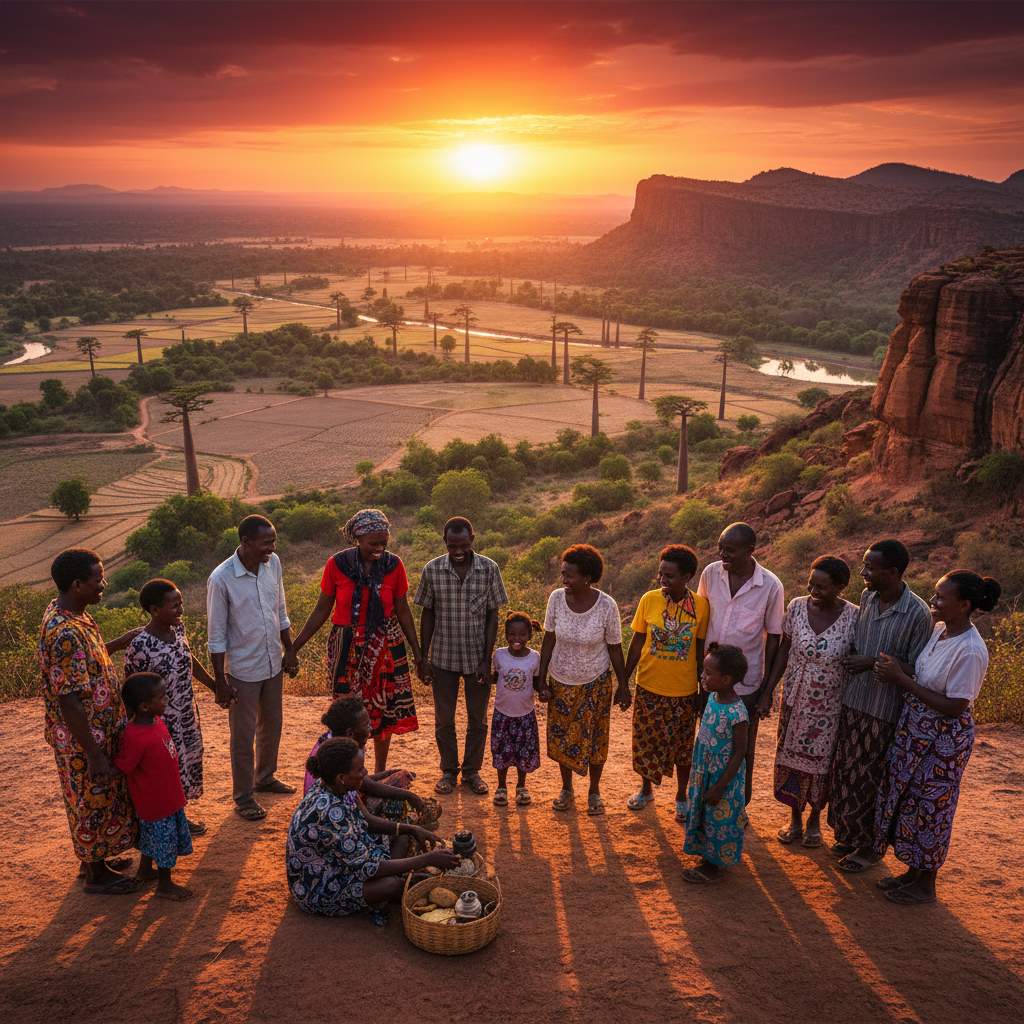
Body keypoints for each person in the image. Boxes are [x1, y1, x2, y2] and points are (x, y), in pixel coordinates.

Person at [872, 571, 999, 906]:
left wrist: (902, 679)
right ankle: (913, 872)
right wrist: (899, 669)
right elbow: (926, 675)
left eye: (942, 597)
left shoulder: (970, 650)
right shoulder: (942, 631)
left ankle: (927, 884)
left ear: (965, 605)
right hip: (917, 729)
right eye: (935, 594)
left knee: (932, 808)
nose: (934, 601)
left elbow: (956, 706)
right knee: (910, 801)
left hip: (943, 741)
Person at [40, 548, 145, 895]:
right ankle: (96, 876)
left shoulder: (71, 615)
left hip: (95, 730)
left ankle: (94, 861)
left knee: (91, 798)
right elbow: (68, 699)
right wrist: (96, 754)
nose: (104, 584)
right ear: (77, 584)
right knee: (91, 800)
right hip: (84, 737)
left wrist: (118, 642)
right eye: (98, 580)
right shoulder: (65, 632)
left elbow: (86, 664)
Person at [828, 539, 933, 874]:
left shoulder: (917, 613)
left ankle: (869, 849)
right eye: (864, 566)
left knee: (872, 778)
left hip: (885, 711)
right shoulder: (867, 598)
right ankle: (850, 834)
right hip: (855, 700)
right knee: (846, 773)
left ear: (893, 571)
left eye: (870, 568)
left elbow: (920, 668)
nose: (863, 573)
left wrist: (872, 661)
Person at [292, 509, 422, 773]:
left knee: (384, 708)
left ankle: (378, 773)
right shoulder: (337, 565)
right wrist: (293, 648)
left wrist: (418, 655)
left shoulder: (394, 565)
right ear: (358, 539)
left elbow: (403, 610)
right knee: (347, 712)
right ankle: (350, 770)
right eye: (373, 543)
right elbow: (321, 609)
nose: (379, 548)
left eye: (384, 542)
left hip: (385, 645)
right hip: (346, 646)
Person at [286, 737, 461, 924]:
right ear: (341, 777)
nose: (366, 773)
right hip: (321, 885)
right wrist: (429, 859)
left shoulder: (336, 786)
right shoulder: (329, 813)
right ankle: (394, 885)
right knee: (392, 885)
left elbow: (368, 821)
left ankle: (397, 879)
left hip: (348, 860)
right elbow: (371, 870)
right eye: (359, 769)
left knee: (403, 835)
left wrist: (411, 829)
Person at [759, 556, 858, 848]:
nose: (814, 590)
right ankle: (795, 819)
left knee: (822, 764)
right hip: (794, 699)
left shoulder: (854, 616)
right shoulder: (796, 607)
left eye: (822, 587)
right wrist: (767, 691)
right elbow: (784, 651)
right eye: (811, 583)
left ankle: (814, 821)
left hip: (829, 705)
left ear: (840, 587)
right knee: (789, 759)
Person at [207, 514, 298, 822]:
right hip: (242, 669)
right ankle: (243, 795)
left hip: (272, 660)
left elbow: (281, 612)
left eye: (273, 541)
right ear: (245, 542)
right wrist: (220, 681)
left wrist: (290, 649)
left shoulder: (273, 564)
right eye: (266, 542)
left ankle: (265, 777)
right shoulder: (221, 579)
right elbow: (216, 636)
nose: (271, 548)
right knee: (243, 735)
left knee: (272, 725)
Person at [125, 578, 226, 837]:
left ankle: (180, 817)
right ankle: (170, 822)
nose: (181, 610)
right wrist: (139, 728)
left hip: (185, 712)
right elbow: (133, 690)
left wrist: (214, 686)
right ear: (154, 610)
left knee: (186, 762)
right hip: (159, 722)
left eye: (180, 604)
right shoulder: (140, 646)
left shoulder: (178, 629)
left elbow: (188, 658)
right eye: (175, 606)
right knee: (167, 771)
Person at [415, 516, 508, 796]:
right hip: (442, 658)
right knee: (444, 719)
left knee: (477, 719)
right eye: (453, 545)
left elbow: (494, 615)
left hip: (476, 659)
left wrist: (486, 658)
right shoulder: (432, 570)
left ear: (472, 541)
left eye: (464, 545)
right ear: (445, 542)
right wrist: (423, 657)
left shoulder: (489, 569)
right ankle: (448, 771)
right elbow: (427, 614)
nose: (458, 551)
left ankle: (472, 772)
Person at [537, 544, 630, 816]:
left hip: (596, 683)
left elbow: (615, 647)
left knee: (596, 739)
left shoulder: (607, 606)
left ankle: (594, 791)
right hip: (561, 681)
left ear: (588, 578)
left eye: (569, 576)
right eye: (562, 574)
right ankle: (567, 789)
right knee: (561, 737)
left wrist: (623, 685)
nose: (563, 580)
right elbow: (549, 639)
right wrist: (540, 678)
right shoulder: (556, 599)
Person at [697, 523, 784, 805]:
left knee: (742, 748)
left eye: (730, 550)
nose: (723, 554)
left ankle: (739, 807)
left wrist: (767, 689)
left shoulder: (770, 585)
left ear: (750, 551)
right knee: (709, 741)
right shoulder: (711, 573)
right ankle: (705, 801)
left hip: (746, 685)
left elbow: (773, 638)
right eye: (721, 547)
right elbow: (700, 621)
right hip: (709, 679)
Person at [624, 544, 709, 821]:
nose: (663, 581)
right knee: (646, 743)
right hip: (648, 686)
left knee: (683, 748)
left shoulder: (700, 606)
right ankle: (646, 789)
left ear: (686, 577)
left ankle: (681, 795)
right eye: (660, 574)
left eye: (670, 576)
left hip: (683, 691)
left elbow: (699, 650)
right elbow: (636, 643)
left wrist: (701, 690)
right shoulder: (649, 600)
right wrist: (624, 681)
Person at [113, 673, 194, 901]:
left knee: (152, 839)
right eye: (162, 697)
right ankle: (164, 884)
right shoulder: (135, 736)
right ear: (145, 706)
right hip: (156, 802)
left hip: (168, 796)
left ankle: (144, 871)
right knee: (164, 843)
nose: (166, 699)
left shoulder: (155, 721)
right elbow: (124, 765)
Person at [303, 695, 438, 827]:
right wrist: (410, 797)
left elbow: (362, 780)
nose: (371, 727)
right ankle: (403, 824)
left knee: (399, 780)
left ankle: (404, 824)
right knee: (397, 798)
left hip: (337, 807)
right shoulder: (339, 753)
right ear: (350, 732)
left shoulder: (341, 741)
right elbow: (366, 786)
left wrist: (389, 773)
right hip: (335, 816)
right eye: (366, 724)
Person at [682, 644, 750, 883]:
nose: (703, 676)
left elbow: (740, 753)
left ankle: (712, 867)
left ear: (726, 679)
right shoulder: (712, 697)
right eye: (703, 671)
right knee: (703, 815)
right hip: (704, 772)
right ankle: (705, 855)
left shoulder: (738, 713)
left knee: (718, 819)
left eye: (708, 673)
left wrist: (721, 786)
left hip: (724, 778)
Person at [489, 612, 543, 808]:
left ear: (529, 634)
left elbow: (535, 682)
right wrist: (484, 679)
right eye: (512, 634)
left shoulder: (535, 657)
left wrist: (544, 691)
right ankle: (501, 788)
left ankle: (521, 787)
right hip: (502, 713)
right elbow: (496, 677)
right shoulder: (499, 654)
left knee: (524, 753)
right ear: (506, 635)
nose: (517, 639)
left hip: (525, 714)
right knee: (502, 751)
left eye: (521, 634)